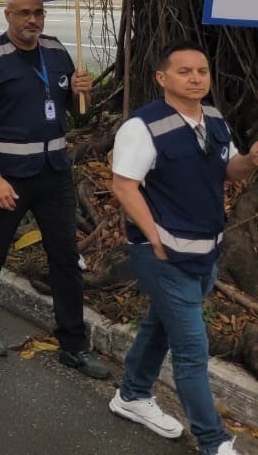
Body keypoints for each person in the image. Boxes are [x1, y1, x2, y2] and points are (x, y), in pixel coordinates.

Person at [107, 42, 258, 454]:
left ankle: (132, 395)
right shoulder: (143, 126)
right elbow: (124, 185)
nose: (195, 79)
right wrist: (155, 240)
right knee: (192, 351)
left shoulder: (212, 118)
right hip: (164, 255)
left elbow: (228, 169)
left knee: (160, 326)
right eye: (184, 71)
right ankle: (214, 442)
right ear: (162, 78)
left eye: (202, 72)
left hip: (205, 250)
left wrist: (251, 159)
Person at [0, 0, 108, 377]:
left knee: (65, 259)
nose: (33, 20)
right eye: (24, 13)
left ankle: (73, 344)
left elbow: (76, 115)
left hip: (54, 173)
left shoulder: (57, 51)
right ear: (8, 15)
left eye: (38, 13)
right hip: (9, 176)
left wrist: (83, 94)